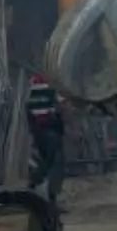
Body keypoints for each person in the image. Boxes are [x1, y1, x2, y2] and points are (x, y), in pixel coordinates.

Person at [26, 71, 66, 207]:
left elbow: (28, 113)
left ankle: (38, 184)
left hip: (38, 132)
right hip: (51, 130)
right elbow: (58, 109)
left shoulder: (29, 91)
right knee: (54, 164)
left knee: (46, 161)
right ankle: (38, 183)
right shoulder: (49, 89)